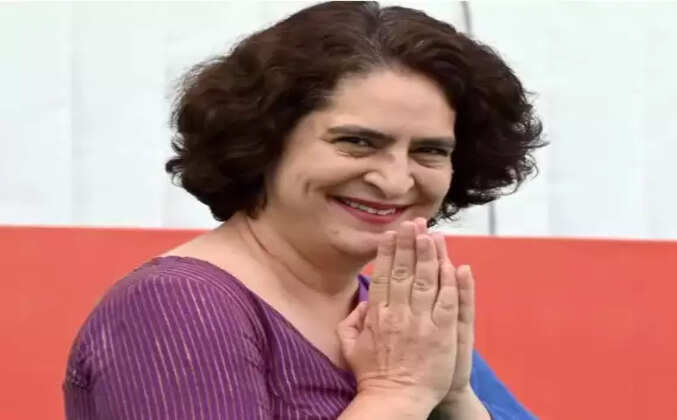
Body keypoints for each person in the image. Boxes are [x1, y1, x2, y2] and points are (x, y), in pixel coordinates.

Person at [63, 2, 544, 419]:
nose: (396, 180)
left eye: (430, 151)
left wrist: (455, 399)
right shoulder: (176, 306)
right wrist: (398, 395)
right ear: (265, 140)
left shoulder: (399, 315)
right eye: (357, 142)